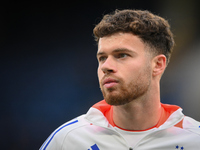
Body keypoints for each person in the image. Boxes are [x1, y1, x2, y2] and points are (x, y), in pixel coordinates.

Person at [40, 9, 200, 150]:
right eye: (102, 58)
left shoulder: (194, 139)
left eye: (122, 55)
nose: (106, 66)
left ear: (158, 65)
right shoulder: (68, 140)